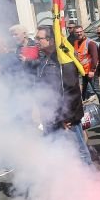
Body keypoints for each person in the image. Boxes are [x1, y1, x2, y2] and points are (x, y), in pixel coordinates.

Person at [33, 24, 91, 165]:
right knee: (56, 151)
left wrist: (67, 117)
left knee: (79, 151)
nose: (36, 41)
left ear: (51, 40)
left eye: (39, 38)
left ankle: (91, 182)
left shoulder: (63, 60)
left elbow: (71, 89)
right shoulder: (43, 60)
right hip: (50, 116)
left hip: (66, 118)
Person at [72, 25, 100, 110]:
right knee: (83, 89)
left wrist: (92, 70)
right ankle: (82, 106)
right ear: (74, 33)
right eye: (77, 32)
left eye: (81, 31)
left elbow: (95, 57)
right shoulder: (76, 42)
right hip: (82, 71)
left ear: (83, 32)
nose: (79, 33)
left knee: (96, 89)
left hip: (90, 71)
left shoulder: (90, 43)